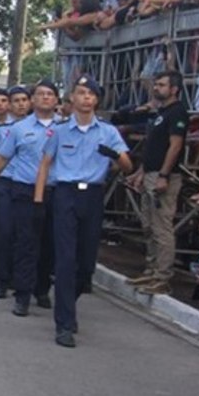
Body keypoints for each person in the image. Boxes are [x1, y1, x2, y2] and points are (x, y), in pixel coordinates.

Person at [34, 76, 131, 348]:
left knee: (85, 264)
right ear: (72, 98)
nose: (86, 97)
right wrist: (39, 200)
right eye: (81, 92)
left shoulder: (108, 132)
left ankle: (69, 301)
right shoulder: (60, 131)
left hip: (93, 196)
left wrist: (115, 155)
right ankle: (64, 323)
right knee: (65, 260)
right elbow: (45, 164)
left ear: (97, 100)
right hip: (65, 194)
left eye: (91, 93)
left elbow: (127, 166)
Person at [0, 80, 59, 315]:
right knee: (22, 241)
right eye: (40, 94)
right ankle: (19, 292)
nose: (45, 98)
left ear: (57, 100)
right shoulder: (18, 129)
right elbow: (0, 158)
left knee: (49, 244)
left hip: (56, 192)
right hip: (23, 190)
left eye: (50, 94)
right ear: (34, 100)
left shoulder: (65, 127)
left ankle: (42, 288)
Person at [124, 71, 187, 295]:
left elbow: (175, 146)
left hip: (163, 176)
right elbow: (153, 147)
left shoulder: (177, 112)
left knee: (162, 227)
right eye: (156, 84)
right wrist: (142, 171)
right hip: (150, 173)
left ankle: (162, 276)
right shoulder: (160, 113)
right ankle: (151, 270)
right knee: (148, 225)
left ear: (174, 89)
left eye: (161, 85)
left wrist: (164, 175)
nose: (156, 88)